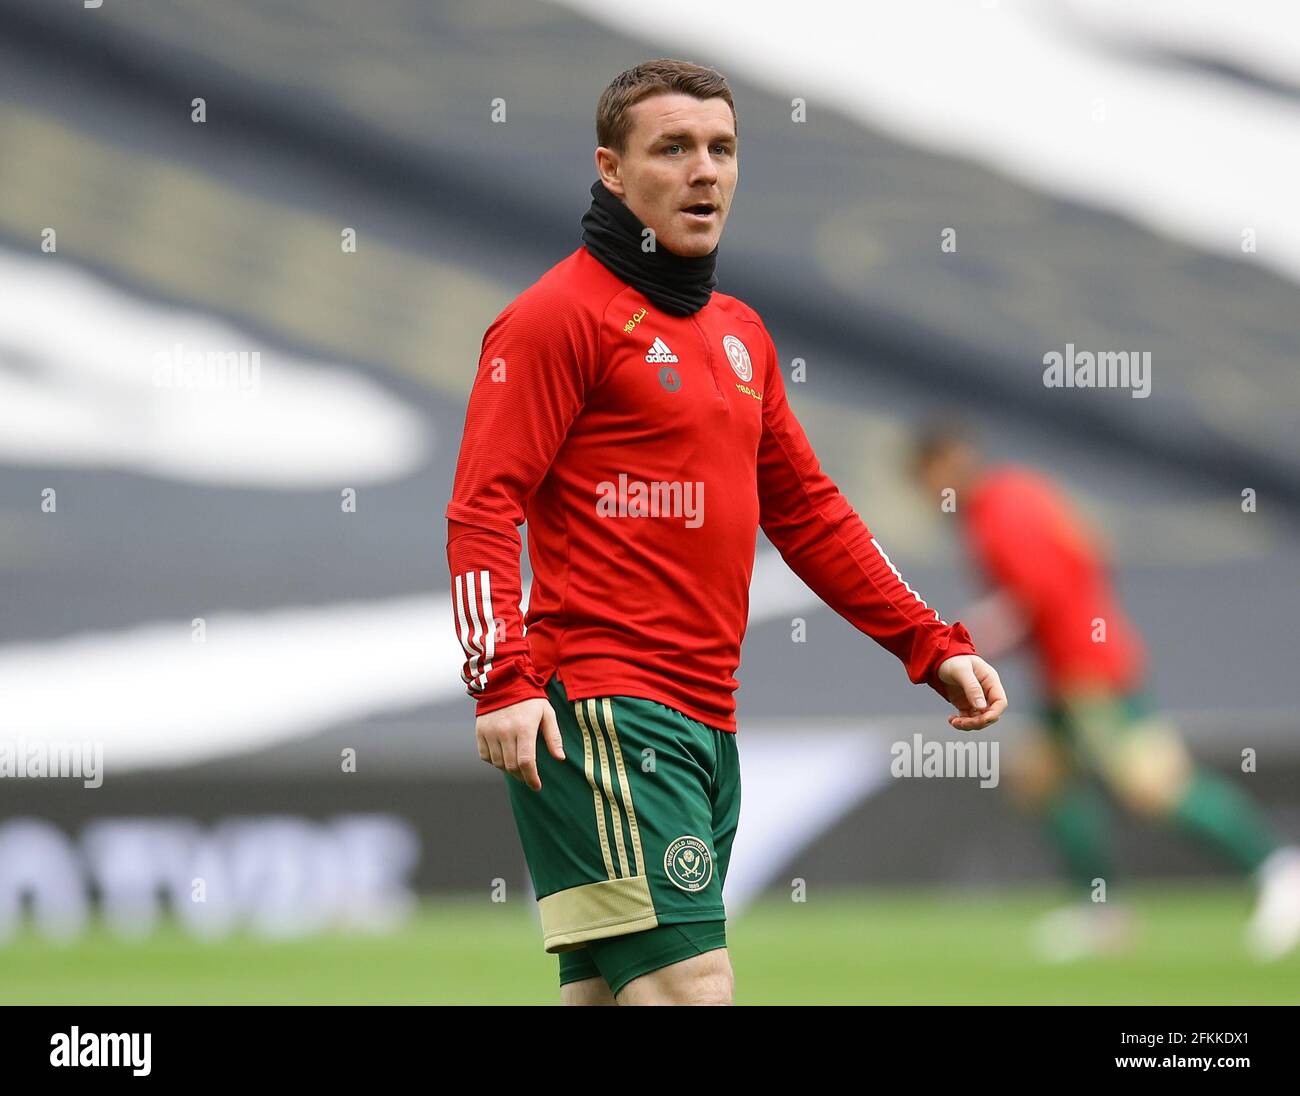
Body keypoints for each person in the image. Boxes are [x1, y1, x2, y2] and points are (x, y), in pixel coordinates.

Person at [445, 59, 1007, 1006]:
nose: (705, 170)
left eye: (722, 149)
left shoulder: (740, 333)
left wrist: (927, 640)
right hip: (606, 712)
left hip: (703, 714)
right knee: (692, 988)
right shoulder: (554, 320)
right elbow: (482, 506)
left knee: (613, 993)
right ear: (611, 171)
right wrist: (498, 678)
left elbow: (809, 511)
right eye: (673, 148)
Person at [910, 420, 1300, 960]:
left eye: (925, 478)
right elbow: (1095, 552)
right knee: (1039, 779)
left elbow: (1034, 596)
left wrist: (967, 638)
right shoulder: (1021, 493)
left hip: (1088, 672)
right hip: (1069, 670)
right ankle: (1103, 910)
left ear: (945, 464)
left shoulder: (1000, 514)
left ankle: (1277, 871)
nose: (927, 494)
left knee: (1153, 785)